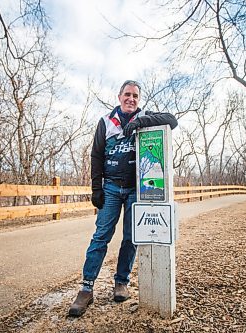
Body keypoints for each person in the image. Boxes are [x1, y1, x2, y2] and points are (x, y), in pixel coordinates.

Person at [68, 80, 178, 317]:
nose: (131, 99)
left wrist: (140, 122)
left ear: (139, 99)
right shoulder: (106, 122)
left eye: (135, 96)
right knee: (101, 236)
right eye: (127, 94)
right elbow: (96, 155)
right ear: (119, 97)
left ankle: (121, 282)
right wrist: (95, 188)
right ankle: (86, 289)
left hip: (135, 190)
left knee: (131, 237)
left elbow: (172, 120)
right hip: (109, 188)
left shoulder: (145, 116)